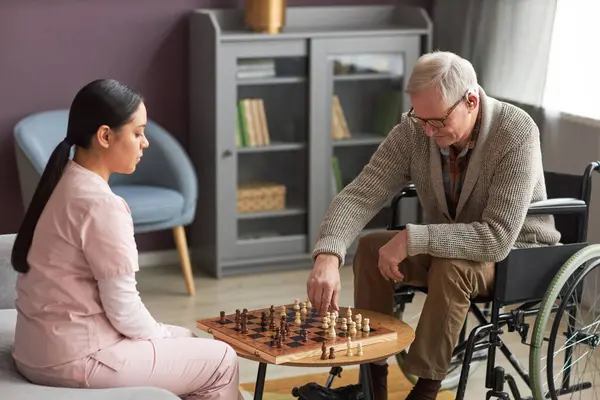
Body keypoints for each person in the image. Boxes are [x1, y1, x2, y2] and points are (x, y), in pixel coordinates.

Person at [306, 51, 560, 400]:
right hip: (449, 247)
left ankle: (425, 390)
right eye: (419, 118)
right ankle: (372, 385)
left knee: (451, 266)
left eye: (437, 121)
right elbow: (360, 195)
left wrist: (414, 238)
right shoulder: (416, 129)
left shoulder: (515, 131)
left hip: (517, 254)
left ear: (470, 101)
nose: (427, 130)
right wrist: (328, 255)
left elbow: (497, 238)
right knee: (369, 248)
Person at [11, 79, 240, 399]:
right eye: (137, 132)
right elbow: (124, 310)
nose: (145, 143)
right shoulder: (101, 204)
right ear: (105, 136)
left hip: (37, 350)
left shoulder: (61, 181)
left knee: (188, 338)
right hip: (75, 358)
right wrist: (160, 336)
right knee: (222, 360)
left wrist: (168, 337)